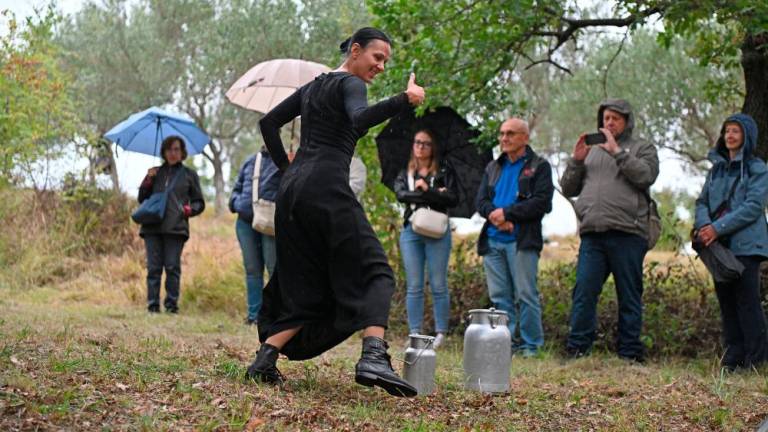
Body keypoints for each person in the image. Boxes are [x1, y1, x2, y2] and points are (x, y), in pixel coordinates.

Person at [245, 27, 425, 397]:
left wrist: (286, 168)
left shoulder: (313, 86)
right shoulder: (351, 84)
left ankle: (265, 359)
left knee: (306, 277)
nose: (380, 66)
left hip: (292, 192)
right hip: (326, 186)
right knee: (377, 271)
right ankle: (374, 355)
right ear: (355, 51)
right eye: (377, 57)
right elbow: (359, 120)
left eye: (386, 62)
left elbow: (268, 124)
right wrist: (404, 100)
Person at [560, 99, 659, 362]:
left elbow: (646, 176)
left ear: (627, 121)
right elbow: (569, 189)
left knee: (629, 296)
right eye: (605, 118)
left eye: (615, 118)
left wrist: (618, 152)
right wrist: (577, 161)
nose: (609, 123)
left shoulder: (643, 148)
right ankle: (578, 350)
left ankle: (629, 354)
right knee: (583, 293)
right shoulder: (590, 151)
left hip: (628, 233)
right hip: (593, 234)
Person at [693, 113, 768, 371]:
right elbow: (702, 202)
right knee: (726, 302)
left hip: (748, 246)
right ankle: (733, 361)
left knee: (747, 302)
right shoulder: (715, 171)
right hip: (720, 248)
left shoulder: (758, 168)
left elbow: (753, 207)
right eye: (727, 131)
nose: (730, 136)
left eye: (736, 131)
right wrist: (705, 227)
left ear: (747, 136)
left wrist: (717, 227)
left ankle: (756, 361)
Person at [475, 118, 554, 357]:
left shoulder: (539, 166)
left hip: (522, 241)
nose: (504, 138)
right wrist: (495, 216)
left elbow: (542, 203)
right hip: (493, 240)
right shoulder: (493, 167)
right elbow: (480, 202)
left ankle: (531, 346)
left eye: (510, 133)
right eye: (502, 133)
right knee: (499, 296)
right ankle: (505, 344)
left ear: (525, 138)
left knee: (525, 294)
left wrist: (508, 214)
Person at [394, 128, 459, 348]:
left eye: (426, 143)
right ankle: (415, 332)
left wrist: (429, 190)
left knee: (439, 284)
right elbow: (400, 194)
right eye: (417, 142)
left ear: (433, 148)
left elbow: (452, 198)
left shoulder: (443, 170)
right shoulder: (406, 172)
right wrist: (431, 193)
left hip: (437, 231)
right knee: (414, 285)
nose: (420, 146)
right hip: (411, 230)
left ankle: (441, 332)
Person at [138, 135, 205, 314]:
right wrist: (148, 180)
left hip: (176, 228)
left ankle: (171, 305)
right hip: (152, 226)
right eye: (169, 149)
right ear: (164, 152)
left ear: (182, 152)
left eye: (176, 149)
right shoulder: (155, 173)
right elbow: (142, 199)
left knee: (172, 267)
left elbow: (199, 203)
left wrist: (188, 210)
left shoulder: (189, 175)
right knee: (153, 268)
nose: (173, 153)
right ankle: (152, 305)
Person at [229, 147, 282, 325]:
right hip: (245, 221)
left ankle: (274, 314)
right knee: (252, 271)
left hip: (269, 221)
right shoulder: (251, 160)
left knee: (273, 268)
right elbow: (237, 187)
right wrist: (235, 203)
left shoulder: (284, 160)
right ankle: (254, 316)